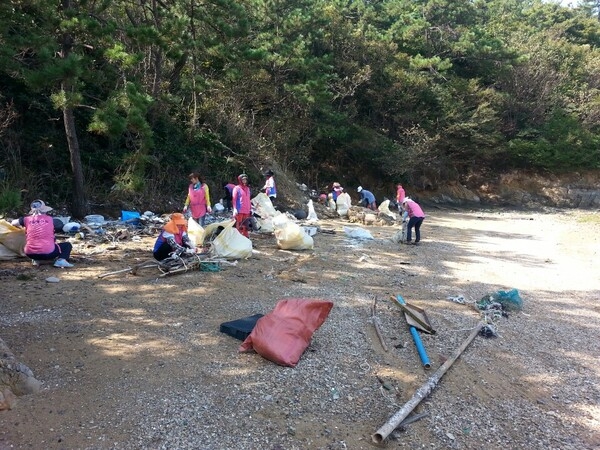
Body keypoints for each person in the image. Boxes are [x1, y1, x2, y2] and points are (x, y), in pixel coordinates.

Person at [11, 199, 74, 268]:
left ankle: (37, 260)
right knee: (67, 245)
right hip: (48, 252)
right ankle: (61, 260)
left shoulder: (26, 219)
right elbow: (60, 226)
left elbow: (13, 223)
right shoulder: (50, 220)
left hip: (29, 253)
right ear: (45, 210)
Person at [232, 173, 252, 238]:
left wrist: (250, 208)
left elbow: (248, 199)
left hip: (247, 210)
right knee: (239, 226)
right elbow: (234, 199)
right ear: (240, 180)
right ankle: (238, 238)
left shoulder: (247, 188)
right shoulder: (236, 188)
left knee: (246, 226)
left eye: (245, 179)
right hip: (239, 210)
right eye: (243, 179)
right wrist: (234, 209)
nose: (244, 181)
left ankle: (246, 238)